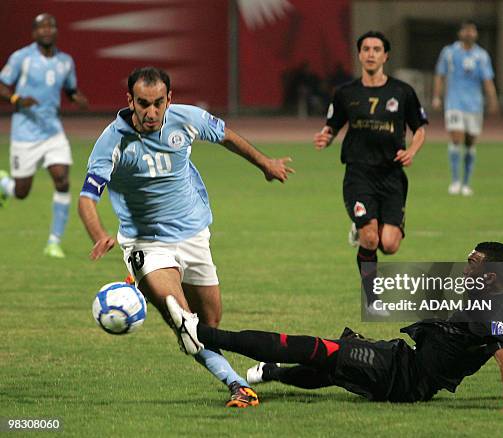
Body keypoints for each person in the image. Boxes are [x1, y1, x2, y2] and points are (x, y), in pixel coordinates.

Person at [78, 66, 294, 407]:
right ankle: (239, 385)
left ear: (169, 99)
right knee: (185, 323)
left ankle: (198, 339)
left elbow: (226, 136)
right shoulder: (112, 141)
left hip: (194, 236)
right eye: (143, 103)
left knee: (208, 326)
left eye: (158, 103)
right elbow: (87, 198)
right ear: (130, 100)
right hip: (147, 244)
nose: (151, 112)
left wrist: (264, 163)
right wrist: (99, 233)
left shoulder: (186, 119)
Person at [166, 242, 503, 411]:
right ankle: (272, 373)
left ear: (492, 275)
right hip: (404, 365)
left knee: (317, 349)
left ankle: (201, 334)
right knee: (333, 366)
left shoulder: (492, 306)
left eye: (474, 262)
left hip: (404, 378)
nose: (466, 265)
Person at [313, 31, 428, 315]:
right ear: (360, 54)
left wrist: (412, 150)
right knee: (370, 238)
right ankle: (372, 299)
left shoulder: (402, 92)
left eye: (377, 49)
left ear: (386, 56)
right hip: (359, 173)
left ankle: (361, 225)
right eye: (366, 49)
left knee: (389, 245)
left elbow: (420, 129)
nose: (371, 53)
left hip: (392, 176)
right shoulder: (346, 93)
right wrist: (325, 138)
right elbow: (332, 126)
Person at [0, 13, 88, 258]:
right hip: (25, 133)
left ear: (56, 31)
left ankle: (54, 242)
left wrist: (76, 98)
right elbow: (2, 84)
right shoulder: (22, 58)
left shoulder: (65, 62)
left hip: (53, 132)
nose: (47, 30)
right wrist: (16, 99)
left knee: (62, 179)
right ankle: (4, 185)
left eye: (51, 26)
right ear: (34, 33)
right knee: (21, 192)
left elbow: (69, 90)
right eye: (41, 27)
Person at [432, 20, 499, 196]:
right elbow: (440, 75)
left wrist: (492, 99)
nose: (469, 33)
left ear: (475, 34)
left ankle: (466, 183)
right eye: (466, 30)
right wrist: (437, 96)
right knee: (456, 138)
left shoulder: (482, 56)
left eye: (472, 30)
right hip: (454, 103)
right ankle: (455, 181)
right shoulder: (449, 53)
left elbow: (487, 80)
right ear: (460, 33)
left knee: (470, 143)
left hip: (474, 105)